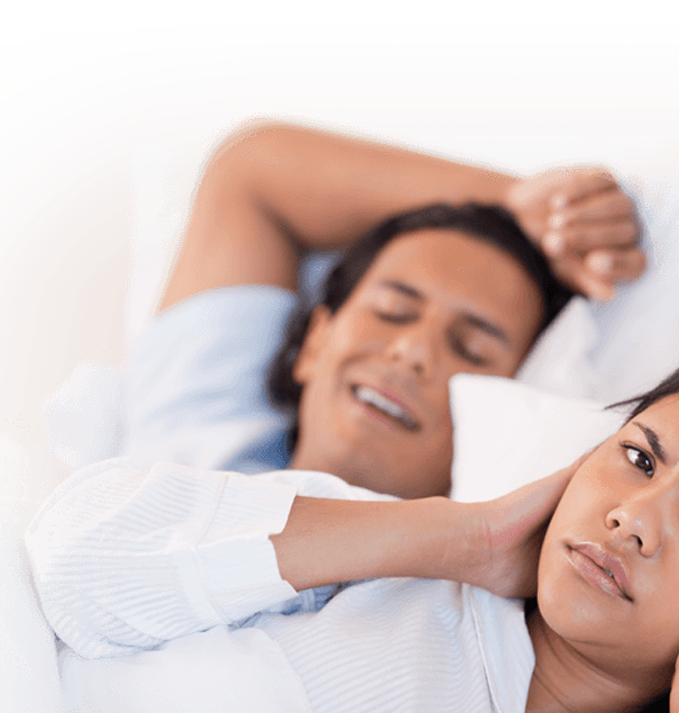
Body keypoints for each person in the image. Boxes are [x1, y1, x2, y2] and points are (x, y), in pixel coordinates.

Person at [26, 344, 679, 713]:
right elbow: (67, 567)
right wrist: (459, 535)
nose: (633, 516)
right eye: (637, 456)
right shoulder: (391, 560)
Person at [125, 117, 645, 498]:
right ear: (315, 342)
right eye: (393, 311)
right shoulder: (194, 448)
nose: (413, 350)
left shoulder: (456, 600)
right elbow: (249, 175)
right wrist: (514, 201)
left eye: (471, 349)